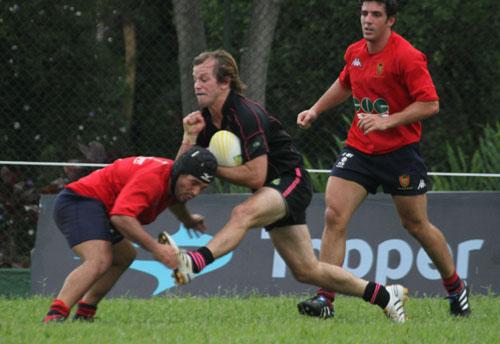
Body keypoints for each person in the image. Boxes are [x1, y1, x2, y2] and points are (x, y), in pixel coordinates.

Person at [171, 49, 408, 323]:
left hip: (290, 179)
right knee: (307, 270)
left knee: (242, 213)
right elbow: (179, 174)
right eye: (195, 79)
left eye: (204, 79)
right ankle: (385, 295)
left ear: (224, 82)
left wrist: (211, 166)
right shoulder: (204, 120)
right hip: (269, 190)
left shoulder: (246, 114)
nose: (197, 85)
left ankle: (195, 262)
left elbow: (255, 176)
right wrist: (189, 137)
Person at [296, 0, 471, 319]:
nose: (368, 20)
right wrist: (316, 109)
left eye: (376, 15)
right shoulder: (355, 52)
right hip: (360, 149)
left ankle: (455, 286)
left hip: (400, 155)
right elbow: (344, 84)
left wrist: (388, 121)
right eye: (364, 14)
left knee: (415, 225)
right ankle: (325, 299)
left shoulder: (407, 56)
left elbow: (430, 104)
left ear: (391, 20)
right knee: (334, 215)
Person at [43, 147, 218, 323]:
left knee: (124, 256)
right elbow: (121, 217)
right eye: (194, 183)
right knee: (99, 259)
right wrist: (157, 248)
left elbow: (175, 200)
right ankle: (55, 316)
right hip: (79, 201)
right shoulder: (153, 178)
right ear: (180, 172)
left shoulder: (174, 179)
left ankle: (85, 313)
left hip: (98, 207)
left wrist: (187, 220)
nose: (195, 192)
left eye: (201, 188)